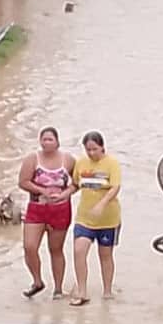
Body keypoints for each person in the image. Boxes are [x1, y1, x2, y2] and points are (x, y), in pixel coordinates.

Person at [18, 127, 76, 300]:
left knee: (56, 249)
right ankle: (37, 281)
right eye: (44, 139)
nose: (47, 142)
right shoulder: (32, 159)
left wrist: (65, 193)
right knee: (29, 247)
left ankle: (58, 289)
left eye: (50, 139)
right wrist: (42, 191)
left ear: (57, 142)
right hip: (37, 208)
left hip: (60, 209)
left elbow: (77, 182)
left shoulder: (69, 160)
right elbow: (23, 182)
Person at [70, 131, 122, 306]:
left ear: (102, 147)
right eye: (88, 150)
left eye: (94, 149)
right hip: (84, 217)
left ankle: (107, 290)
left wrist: (102, 204)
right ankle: (82, 291)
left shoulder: (111, 163)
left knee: (105, 255)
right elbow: (76, 184)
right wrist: (62, 195)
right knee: (79, 250)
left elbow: (115, 187)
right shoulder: (81, 163)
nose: (91, 153)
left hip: (108, 219)